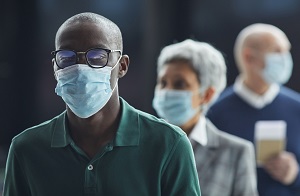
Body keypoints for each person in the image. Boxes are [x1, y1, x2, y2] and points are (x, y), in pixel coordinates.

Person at [3, 12, 201, 196]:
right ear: (55, 66)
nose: (80, 69)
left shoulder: (168, 145)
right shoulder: (26, 149)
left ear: (122, 66)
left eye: (97, 57)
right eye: (67, 58)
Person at [152, 39, 258, 196]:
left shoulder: (235, 153)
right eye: (163, 82)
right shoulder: (141, 142)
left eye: (179, 84)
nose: (167, 91)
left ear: (207, 95)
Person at [207, 23, 300, 196]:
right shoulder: (215, 113)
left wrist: (295, 175)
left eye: (286, 51)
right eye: (277, 51)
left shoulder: (297, 107)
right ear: (249, 58)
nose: (285, 58)